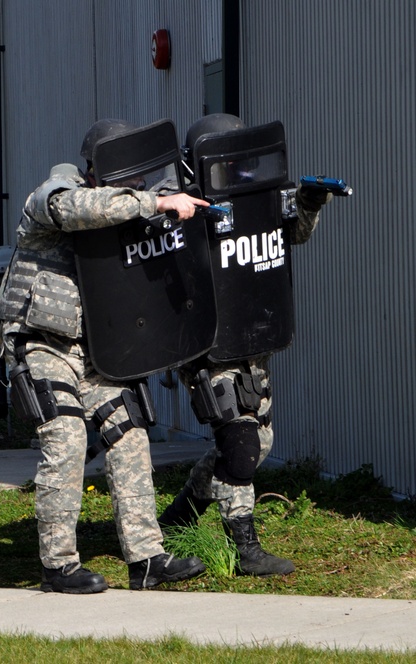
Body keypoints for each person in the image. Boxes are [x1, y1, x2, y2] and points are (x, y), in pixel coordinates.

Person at [0, 119, 209, 593]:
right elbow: (75, 209)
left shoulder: (128, 206)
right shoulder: (55, 192)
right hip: (41, 340)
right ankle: (58, 566)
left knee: (129, 433)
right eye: (125, 176)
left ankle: (146, 559)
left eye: (139, 178)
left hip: (95, 349)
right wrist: (154, 201)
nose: (136, 185)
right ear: (95, 170)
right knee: (66, 437)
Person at [158, 113, 333, 576]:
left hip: (250, 337)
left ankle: (181, 515)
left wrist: (308, 204)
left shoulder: (257, 193)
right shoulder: (179, 204)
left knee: (262, 439)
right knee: (240, 442)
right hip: (211, 343)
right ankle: (245, 548)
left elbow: (290, 234)